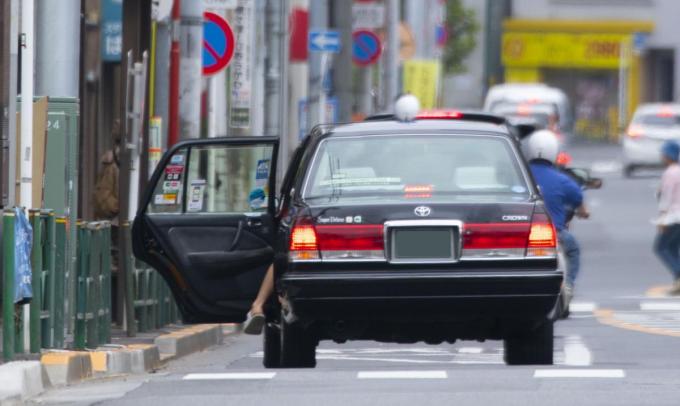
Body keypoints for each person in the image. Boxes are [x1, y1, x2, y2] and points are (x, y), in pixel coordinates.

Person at [524, 130, 589, 301]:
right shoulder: (561, 179)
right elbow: (577, 197)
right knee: (572, 250)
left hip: (524, 233)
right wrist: (583, 211)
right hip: (555, 233)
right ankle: (567, 284)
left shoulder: (521, 175)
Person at [93, 119, 121, 320]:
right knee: (111, 267)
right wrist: (117, 208)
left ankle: (120, 313)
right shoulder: (110, 161)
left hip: (121, 221)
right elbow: (102, 194)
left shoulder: (126, 157)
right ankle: (112, 314)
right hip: (114, 222)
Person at [653, 140, 680, 295]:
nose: (661, 156)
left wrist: (662, 218)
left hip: (674, 216)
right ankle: (677, 281)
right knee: (673, 247)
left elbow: (666, 198)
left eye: (663, 153)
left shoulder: (670, 172)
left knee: (661, 247)